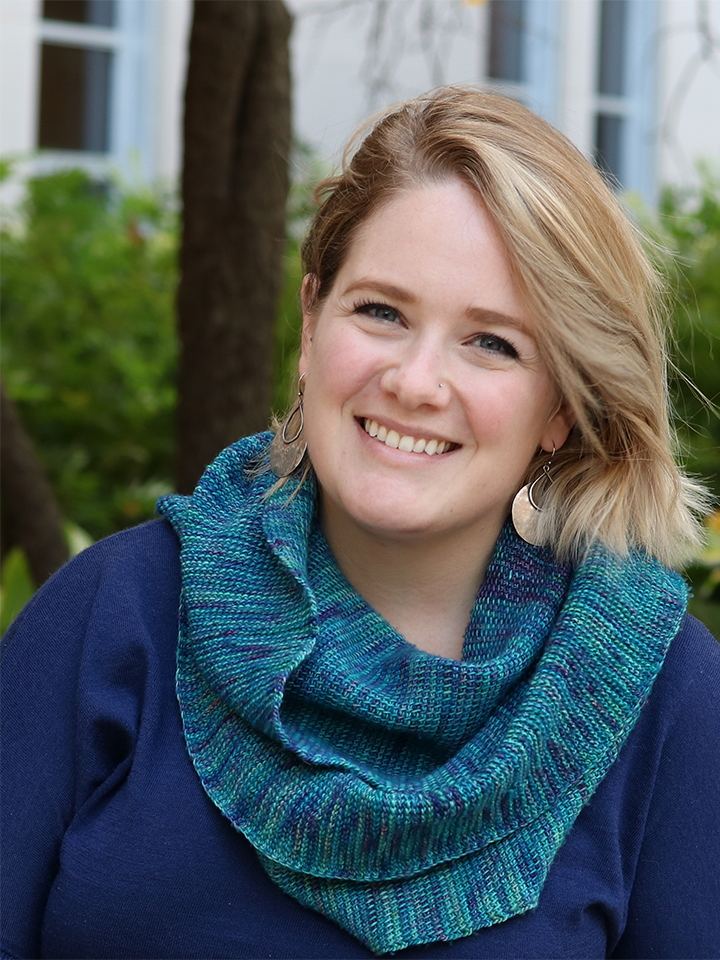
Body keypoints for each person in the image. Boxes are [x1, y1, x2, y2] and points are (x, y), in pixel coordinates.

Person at [2, 87, 719, 960]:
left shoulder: (667, 700)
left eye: (492, 342)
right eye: (381, 311)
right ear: (311, 323)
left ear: (561, 408)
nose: (417, 382)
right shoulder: (112, 621)